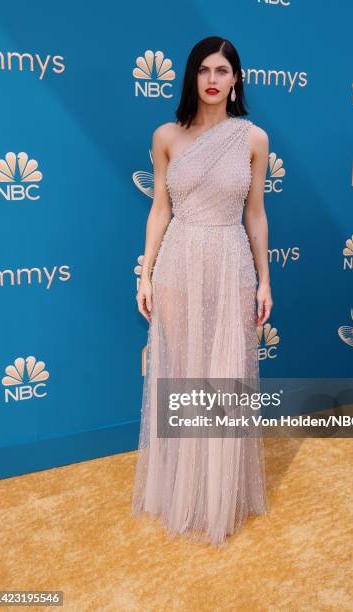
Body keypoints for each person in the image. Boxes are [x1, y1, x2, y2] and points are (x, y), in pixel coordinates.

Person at [132, 36, 273, 547]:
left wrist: (265, 279)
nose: (213, 79)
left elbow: (255, 212)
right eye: (203, 70)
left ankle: (215, 496)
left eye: (223, 70)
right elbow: (159, 210)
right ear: (192, 77)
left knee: (224, 382)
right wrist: (146, 274)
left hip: (230, 258)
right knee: (183, 375)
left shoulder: (253, 138)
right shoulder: (166, 135)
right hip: (178, 264)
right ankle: (180, 493)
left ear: (237, 79)